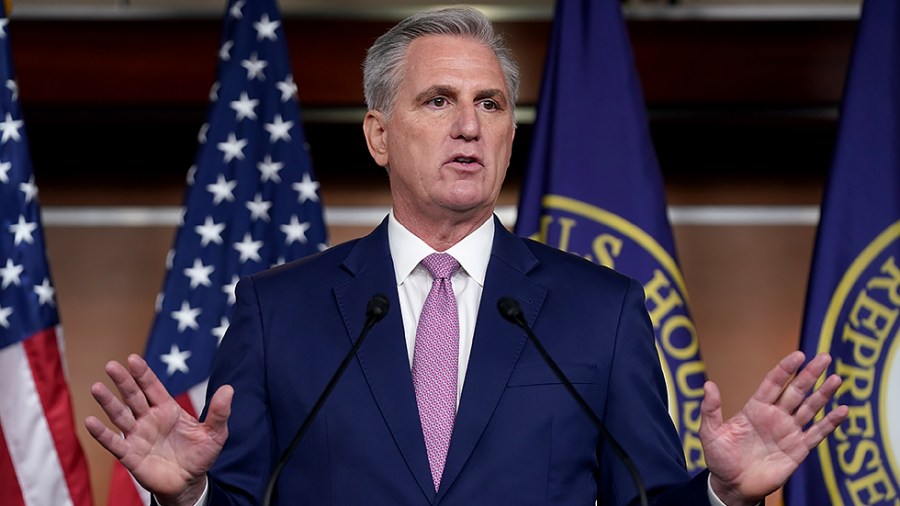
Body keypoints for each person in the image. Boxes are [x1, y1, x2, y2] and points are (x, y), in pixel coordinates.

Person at [85, 6, 848, 505]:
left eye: (489, 104)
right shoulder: (278, 310)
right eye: (438, 100)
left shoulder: (601, 311)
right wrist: (189, 496)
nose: (469, 126)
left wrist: (722, 493)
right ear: (379, 134)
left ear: (511, 137)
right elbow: (244, 496)